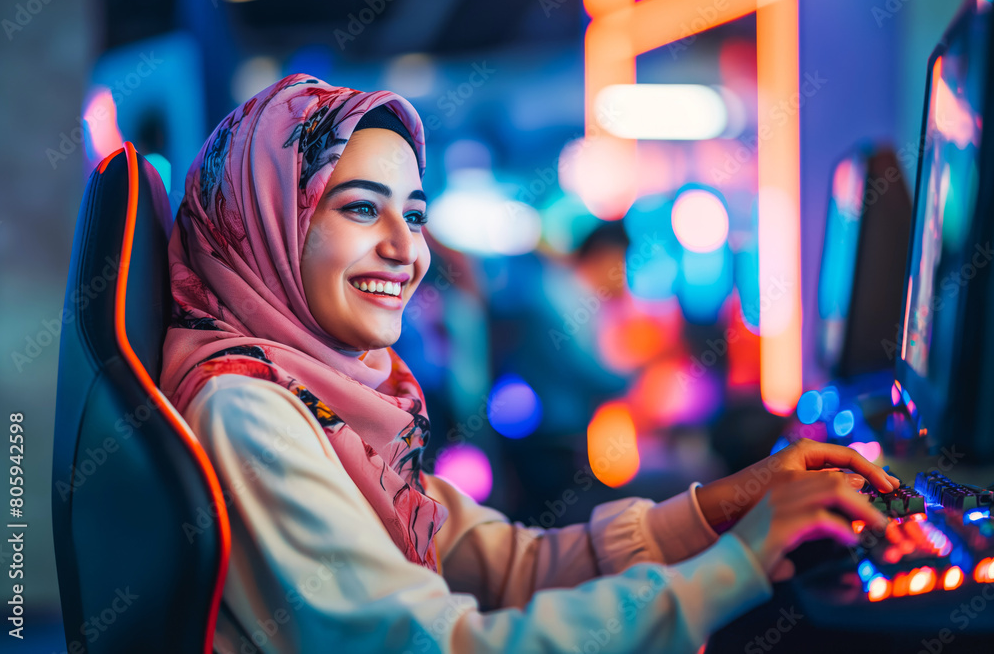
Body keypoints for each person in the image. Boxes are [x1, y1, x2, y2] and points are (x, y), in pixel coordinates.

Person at [159, 74, 898, 654]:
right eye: (359, 208)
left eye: (414, 214)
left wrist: (721, 508)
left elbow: (511, 569)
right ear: (262, 221)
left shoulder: (340, 405)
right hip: (556, 452)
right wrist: (737, 565)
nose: (406, 248)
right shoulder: (249, 410)